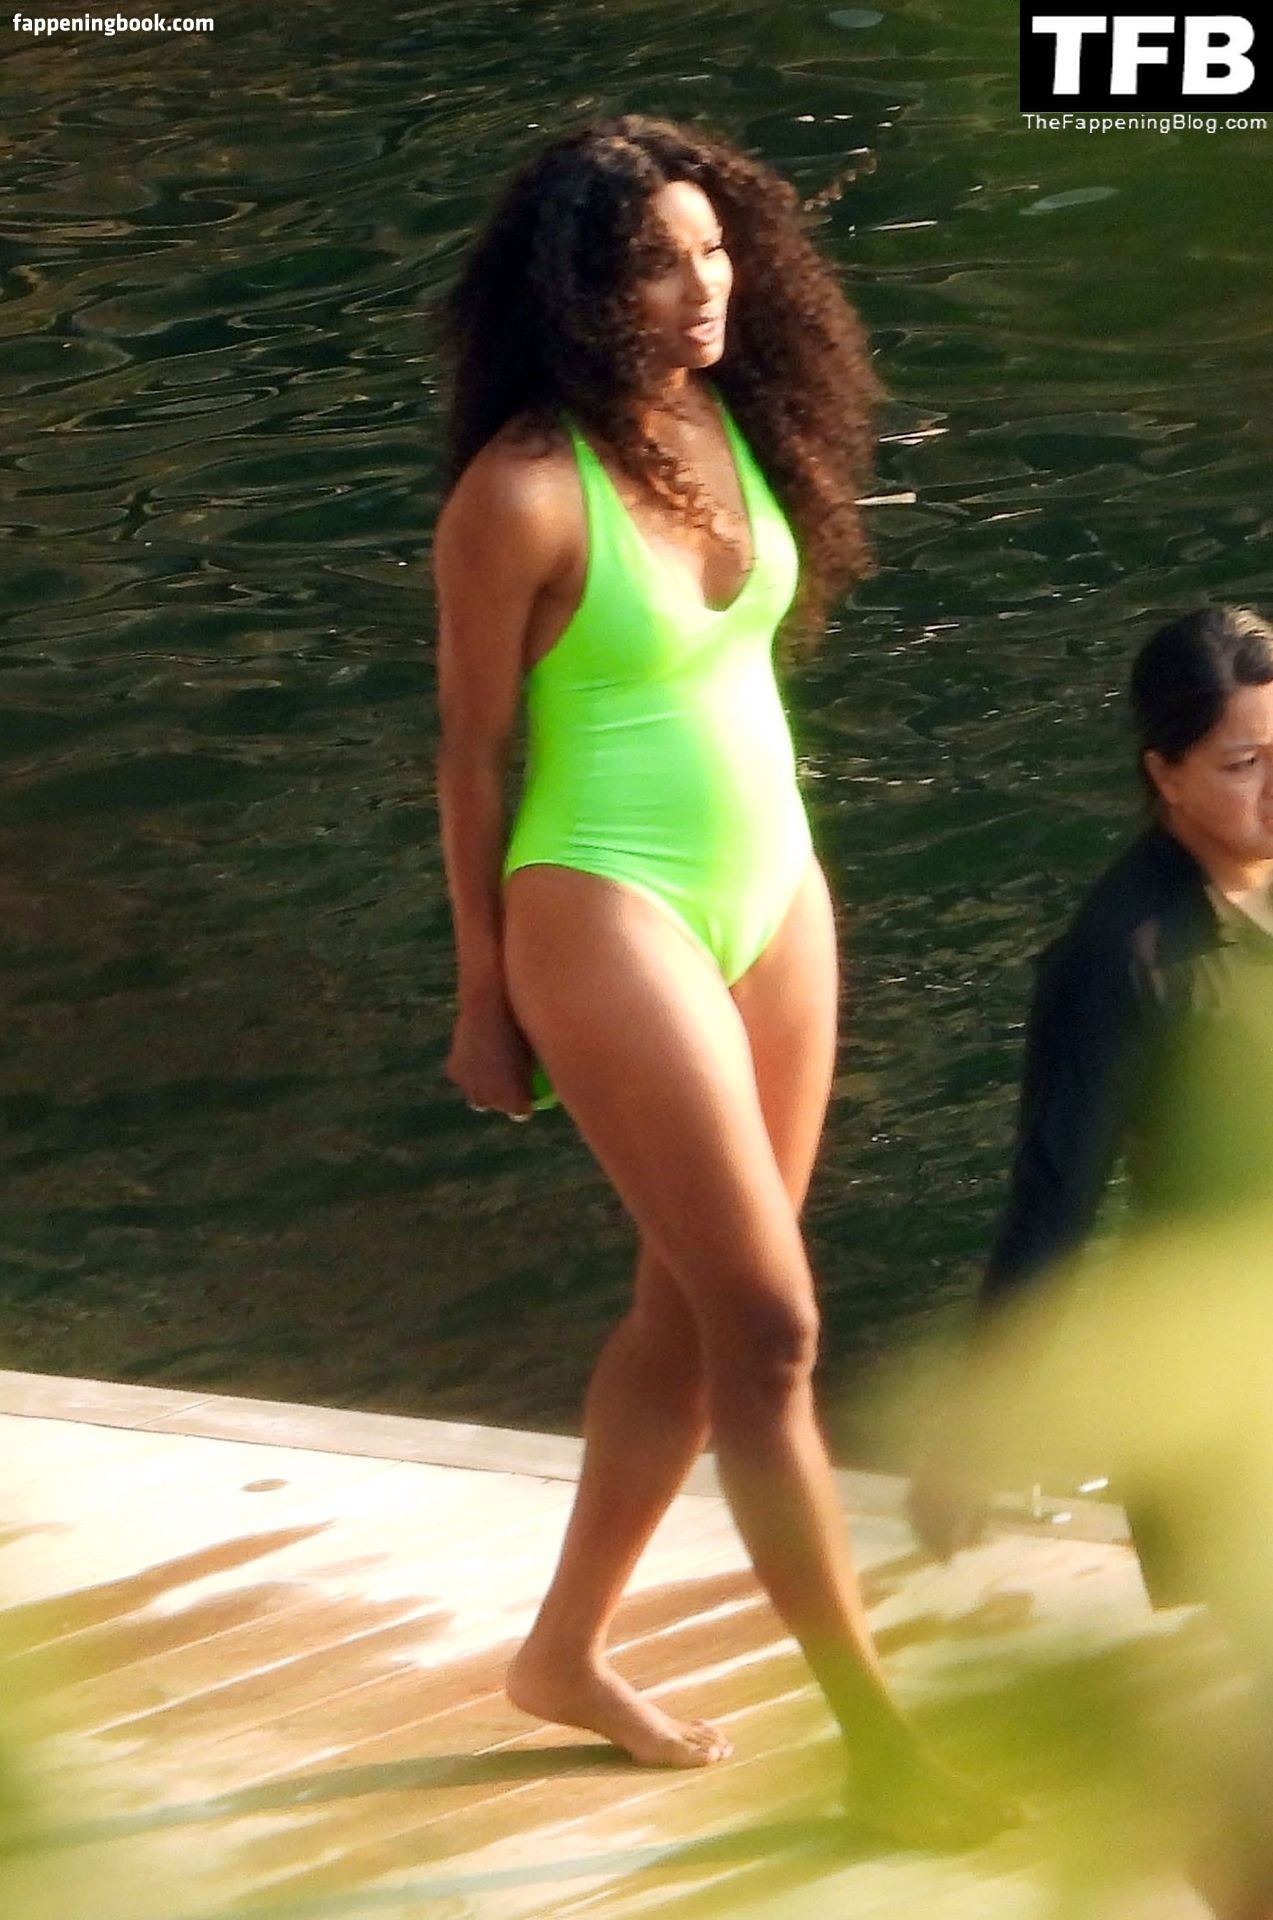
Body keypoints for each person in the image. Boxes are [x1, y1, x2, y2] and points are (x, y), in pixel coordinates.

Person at [433, 113, 1010, 1846]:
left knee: (691, 1319)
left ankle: (560, 1654)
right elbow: (469, 757)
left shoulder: (729, 419)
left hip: (774, 890)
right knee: (771, 1327)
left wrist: (785, 896)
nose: (704, 290)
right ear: (577, 292)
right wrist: (482, 994)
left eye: (715, 249)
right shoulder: (520, 493)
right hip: (603, 901)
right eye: (657, 266)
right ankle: (882, 1750)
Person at [908, 603, 1273, 1912]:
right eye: (1242, 763)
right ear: (1161, 772)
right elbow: (1052, 1205)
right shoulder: (1120, 959)